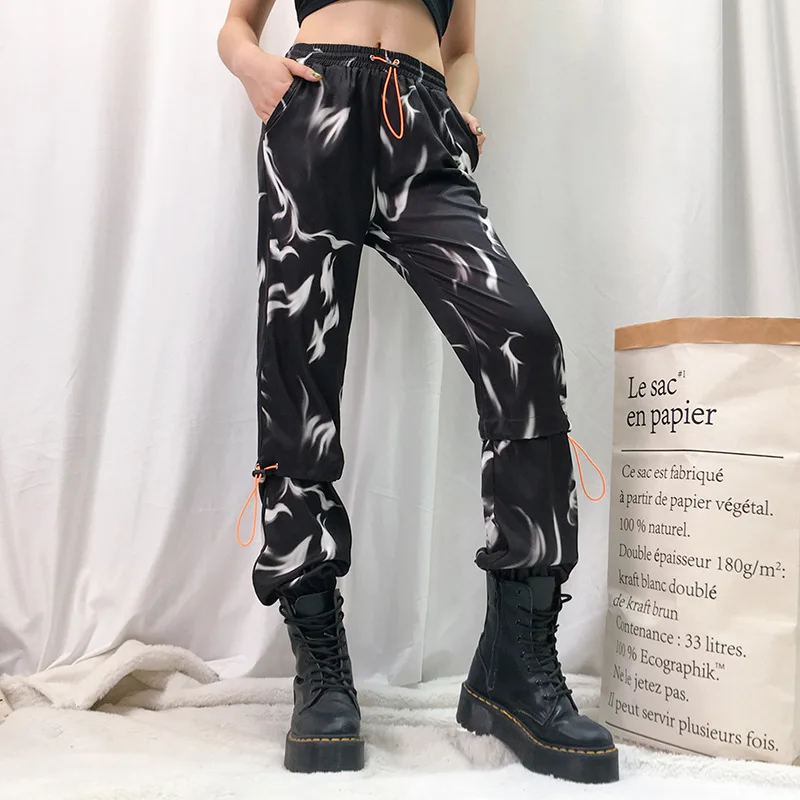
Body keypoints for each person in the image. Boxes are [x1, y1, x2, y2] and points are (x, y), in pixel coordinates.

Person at [218, 0, 618, 784]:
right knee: (297, 381)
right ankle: (321, 668)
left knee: (525, 345)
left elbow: (461, 46)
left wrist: (458, 106)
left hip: (423, 129)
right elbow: (236, 25)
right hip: (315, 112)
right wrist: (253, 68)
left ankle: (514, 664)